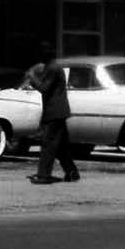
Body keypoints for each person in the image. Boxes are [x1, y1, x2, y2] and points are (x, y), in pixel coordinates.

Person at [26, 43, 79, 184]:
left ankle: (44, 176)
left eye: (41, 53)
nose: (39, 57)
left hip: (54, 111)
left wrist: (32, 78)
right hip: (59, 111)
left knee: (48, 144)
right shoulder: (53, 66)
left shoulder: (53, 68)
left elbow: (44, 88)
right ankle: (72, 172)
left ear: (46, 54)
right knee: (61, 146)